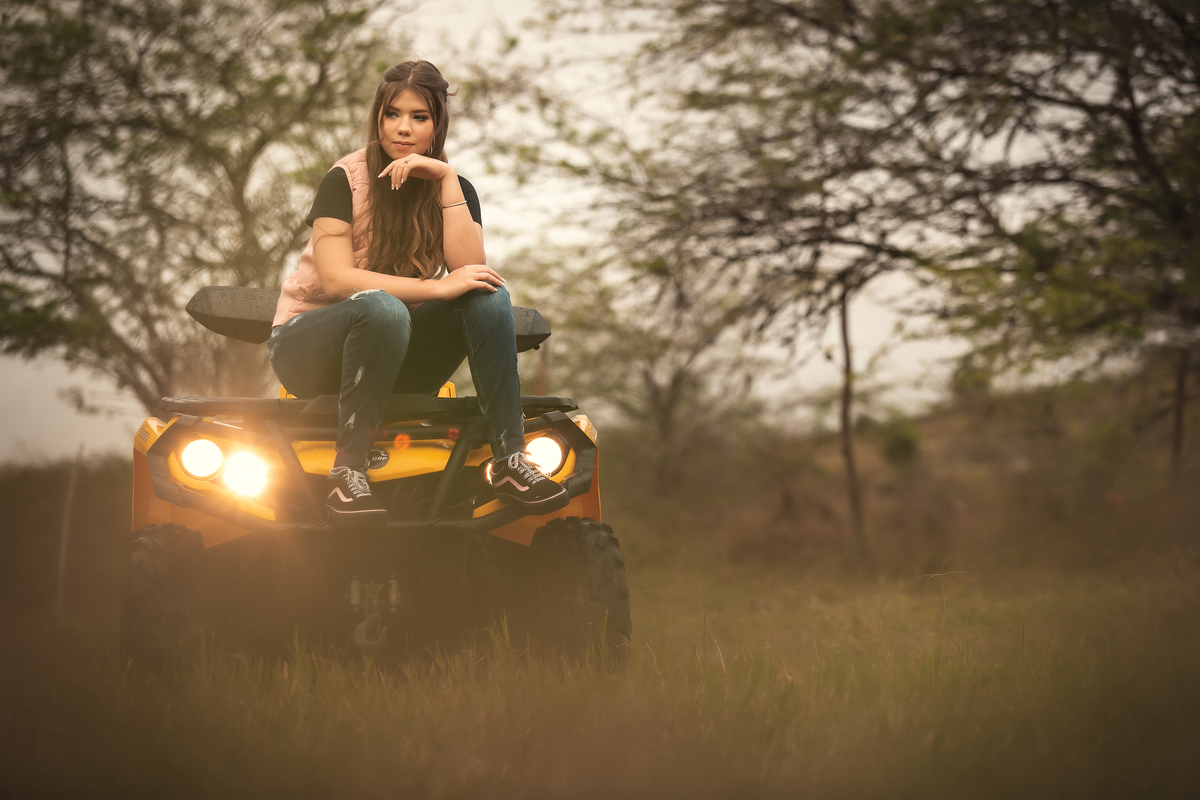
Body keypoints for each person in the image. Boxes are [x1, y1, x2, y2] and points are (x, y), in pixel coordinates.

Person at [268, 60, 567, 525]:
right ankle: (348, 472)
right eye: (393, 114)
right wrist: (434, 287)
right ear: (378, 117)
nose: (403, 128)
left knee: (486, 292)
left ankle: (510, 459)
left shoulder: (454, 186)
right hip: (311, 352)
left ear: (437, 124)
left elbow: (470, 272)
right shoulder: (343, 181)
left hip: (395, 357)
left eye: (419, 117)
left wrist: (447, 181)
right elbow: (336, 280)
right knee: (382, 308)